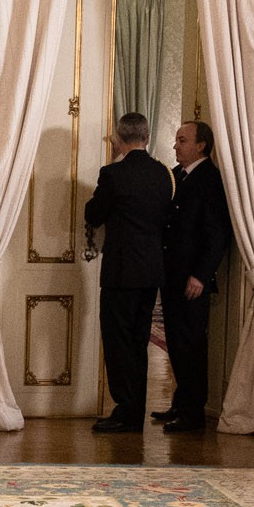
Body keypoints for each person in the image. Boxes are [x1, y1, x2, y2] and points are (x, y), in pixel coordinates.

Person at [83, 113, 174, 434]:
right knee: (139, 340)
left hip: (121, 270)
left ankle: (125, 409)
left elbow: (94, 215)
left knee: (118, 339)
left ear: (119, 139)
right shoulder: (164, 174)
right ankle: (135, 411)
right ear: (146, 137)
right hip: (151, 269)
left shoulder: (113, 174)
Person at [158, 118, 231, 433]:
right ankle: (180, 402)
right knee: (176, 342)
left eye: (183, 140)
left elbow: (217, 234)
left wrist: (201, 275)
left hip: (192, 279)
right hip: (171, 274)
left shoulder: (210, 180)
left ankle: (193, 412)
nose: (176, 145)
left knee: (191, 345)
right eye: (176, 140)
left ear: (201, 145)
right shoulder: (176, 177)